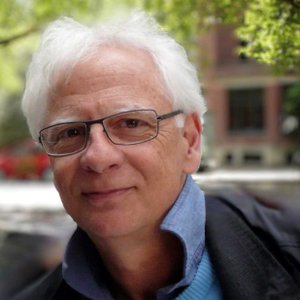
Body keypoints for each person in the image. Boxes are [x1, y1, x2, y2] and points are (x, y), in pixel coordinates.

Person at [13, 11, 300, 300]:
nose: (98, 158)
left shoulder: (289, 256)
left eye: (131, 123)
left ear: (190, 140)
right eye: (70, 133)